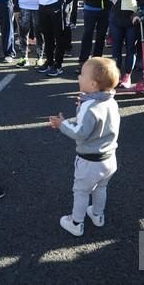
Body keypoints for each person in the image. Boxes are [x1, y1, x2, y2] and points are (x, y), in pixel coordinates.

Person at [49, 57, 120, 237]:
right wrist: (83, 105)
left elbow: (80, 133)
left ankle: (75, 223)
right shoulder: (109, 101)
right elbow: (95, 123)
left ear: (94, 84)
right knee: (101, 188)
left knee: (81, 191)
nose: (79, 77)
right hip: (109, 159)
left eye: (82, 75)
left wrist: (62, 124)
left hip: (90, 162)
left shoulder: (90, 107)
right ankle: (97, 215)